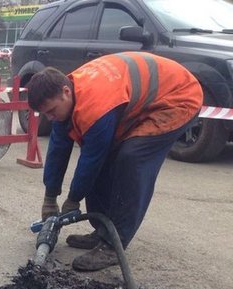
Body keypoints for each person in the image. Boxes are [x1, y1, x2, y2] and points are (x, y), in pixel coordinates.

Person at [26, 52, 202, 271]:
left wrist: (73, 199)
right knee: (106, 159)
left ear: (66, 91)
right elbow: (58, 148)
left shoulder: (96, 105)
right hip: (144, 99)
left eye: (52, 111)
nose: (51, 118)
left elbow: (91, 159)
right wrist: (50, 196)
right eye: (46, 114)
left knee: (131, 159)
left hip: (177, 98)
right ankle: (103, 230)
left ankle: (113, 244)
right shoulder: (65, 98)